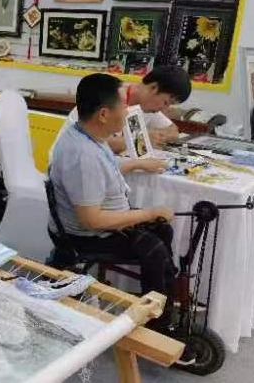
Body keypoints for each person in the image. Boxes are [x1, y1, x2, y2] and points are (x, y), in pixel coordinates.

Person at [48, 74, 192, 365]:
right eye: (123, 108)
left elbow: (110, 164)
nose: (127, 113)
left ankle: (161, 305)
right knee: (154, 248)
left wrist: (138, 163)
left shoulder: (87, 136)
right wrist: (147, 213)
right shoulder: (82, 155)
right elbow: (92, 221)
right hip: (85, 235)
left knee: (161, 233)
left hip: (100, 222)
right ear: (104, 114)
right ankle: (155, 328)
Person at [50, 66, 192, 158]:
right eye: (166, 102)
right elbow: (89, 143)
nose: (165, 109)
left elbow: (173, 130)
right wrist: (142, 140)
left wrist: (159, 136)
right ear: (154, 88)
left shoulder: (147, 108)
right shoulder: (105, 95)